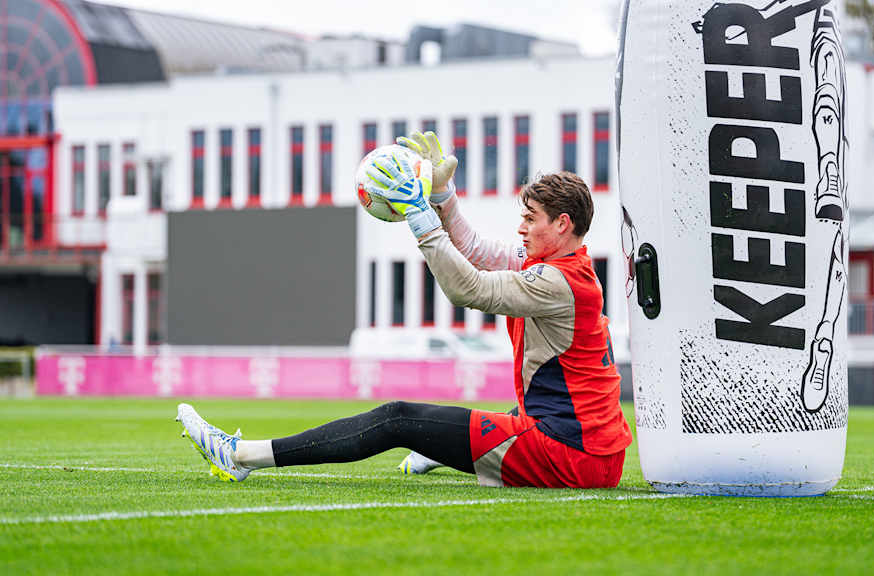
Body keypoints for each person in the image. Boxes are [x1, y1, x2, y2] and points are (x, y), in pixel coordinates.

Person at [176, 132, 632, 488]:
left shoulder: (556, 281)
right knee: (500, 410)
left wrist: (419, 215)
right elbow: (473, 250)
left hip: (569, 455)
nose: (521, 227)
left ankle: (238, 456)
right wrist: (442, 197)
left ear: (563, 223)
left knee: (398, 418)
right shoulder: (564, 267)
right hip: (593, 451)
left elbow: (466, 289)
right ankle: (445, 447)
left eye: (531, 219)